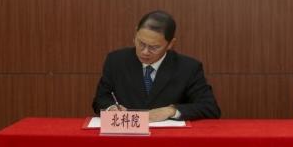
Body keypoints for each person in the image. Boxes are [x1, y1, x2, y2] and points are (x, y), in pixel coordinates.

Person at [92, 10, 220, 121]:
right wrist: (111, 108)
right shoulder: (116, 61)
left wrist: (171, 111)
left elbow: (210, 108)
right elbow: (101, 99)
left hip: (168, 138)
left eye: (154, 47)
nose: (145, 52)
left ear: (170, 44)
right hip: (127, 134)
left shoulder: (188, 68)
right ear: (136, 33)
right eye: (141, 43)